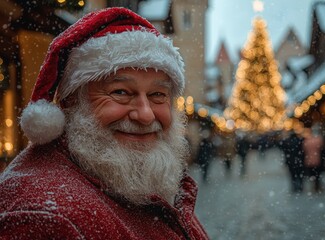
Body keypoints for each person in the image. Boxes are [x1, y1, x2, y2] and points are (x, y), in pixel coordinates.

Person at [0, 7, 208, 239]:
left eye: (158, 95)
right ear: (71, 102)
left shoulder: (140, 179)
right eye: (120, 92)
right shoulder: (47, 218)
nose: (146, 115)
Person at [303, 124, 324, 192]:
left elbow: (304, 150)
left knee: (311, 174)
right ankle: (317, 186)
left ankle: (313, 186)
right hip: (317, 160)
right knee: (317, 174)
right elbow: (322, 149)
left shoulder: (307, 140)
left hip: (309, 160)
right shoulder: (319, 140)